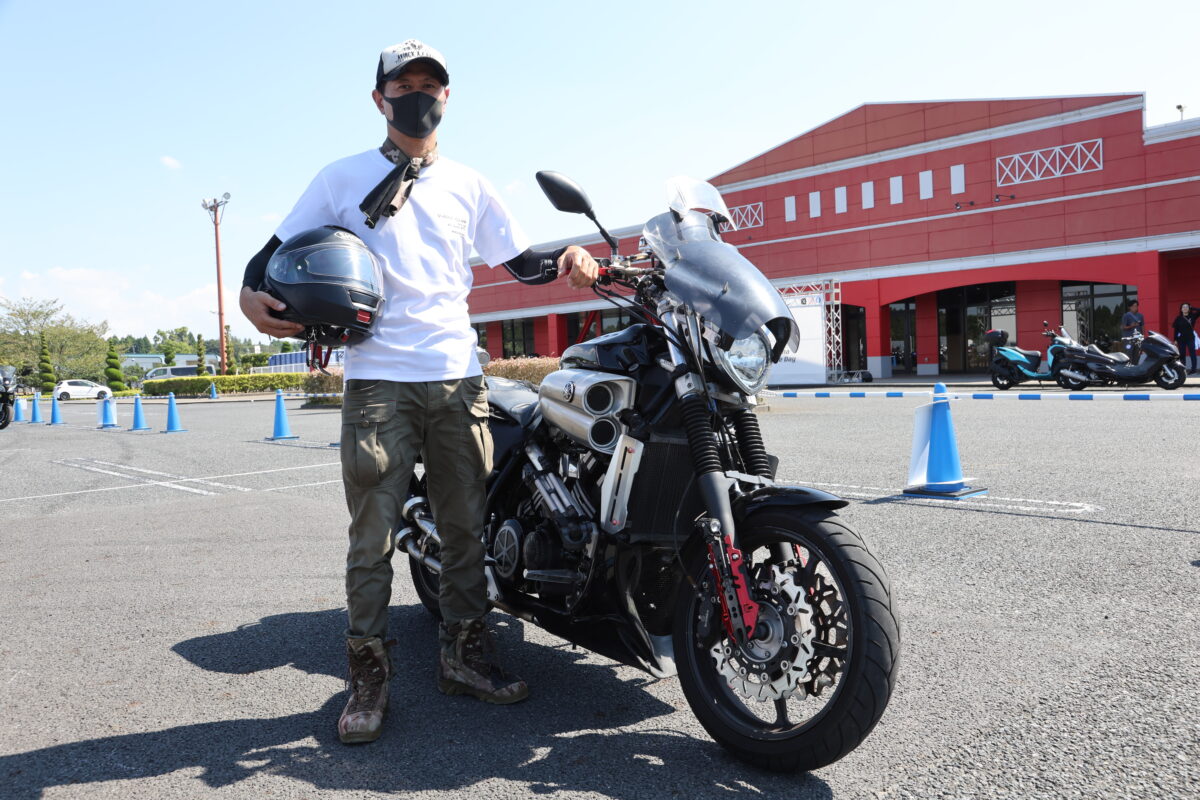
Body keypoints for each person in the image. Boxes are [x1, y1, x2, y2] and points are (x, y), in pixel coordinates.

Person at [239, 39, 598, 745]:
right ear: (380, 99)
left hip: (457, 376)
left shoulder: (469, 183)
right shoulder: (340, 178)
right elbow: (268, 257)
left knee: (465, 530)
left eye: (430, 85)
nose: (418, 96)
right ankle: (368, 678)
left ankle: (464, 659)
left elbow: (522, 263)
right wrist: (252, 300)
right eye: (403, 86)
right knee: (371, 537)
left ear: (447, 96)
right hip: (378, 380)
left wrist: (570, 255)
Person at [1172, 302, 1200, 373]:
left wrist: (1192, 308)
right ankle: (1183, 370)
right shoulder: (1178, 318)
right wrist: (1175, 340)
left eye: (1186, 307)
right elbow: (1176, 330)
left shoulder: (1193, 316)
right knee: (1182, 354)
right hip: (1181, 339)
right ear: (1181, 309)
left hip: (1190, 338)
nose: (1185, 308)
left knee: (1192, 354)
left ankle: (1193, 369)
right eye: (1183, 307)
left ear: (1189, 309)